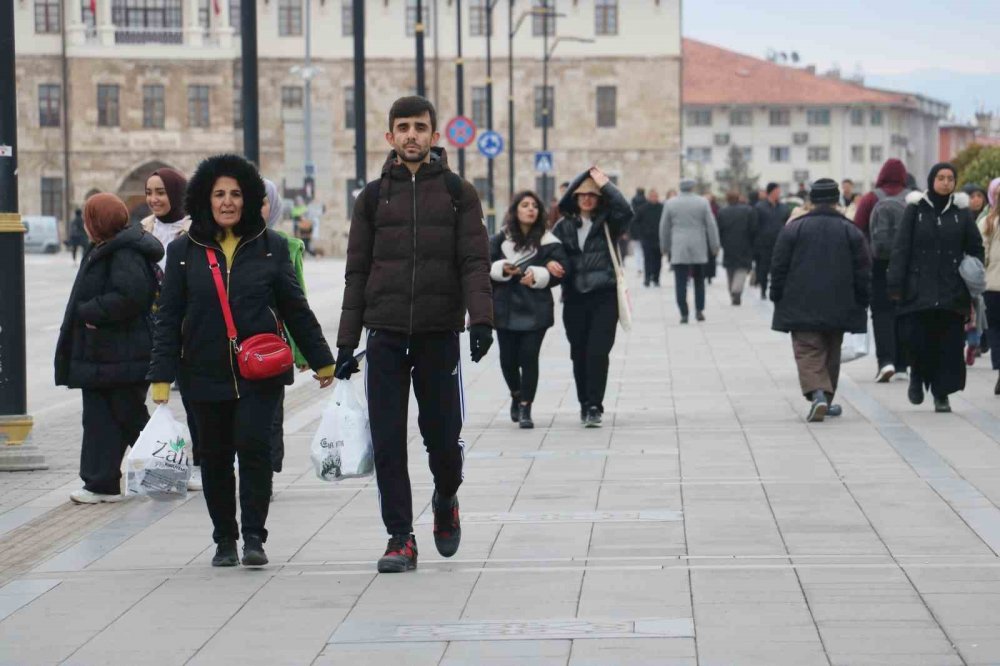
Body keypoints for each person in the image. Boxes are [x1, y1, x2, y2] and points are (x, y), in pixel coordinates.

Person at [148, 153, 335, 568]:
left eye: (235, 194)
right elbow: (167, 319)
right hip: (201, 371)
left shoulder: (271, 248)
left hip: (260, 371)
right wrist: (160, 377)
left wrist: (323, 360)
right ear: (204, 199)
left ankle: (254, 536)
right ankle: (224, 540)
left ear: (249, 199)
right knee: (213, 458)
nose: (228, 202)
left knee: (254, 450)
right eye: (219, 194)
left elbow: (294, 306)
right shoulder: (183, 250)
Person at [334, 96, 493, 574]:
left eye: (419, 127)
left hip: (437, 333)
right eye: (402, 127)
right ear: (389, 137)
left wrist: (481, 320)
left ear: (434, 136)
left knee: (443, 437)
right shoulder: (371, 197)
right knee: (387, 439)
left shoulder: (457, 192)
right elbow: (356, 271)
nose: (411, 135)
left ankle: (446, 498)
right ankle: (400, 537)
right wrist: (345, 343)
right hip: (383, 334)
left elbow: (474, 260)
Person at [55, 193, 164, 503]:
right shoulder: (106, 248)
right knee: (105, 419)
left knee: (123, 417)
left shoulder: (123, 253)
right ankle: (101, 483)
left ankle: (166, 466)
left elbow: (131, 295)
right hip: (108, 355)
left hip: (119, 353)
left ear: (97, 222)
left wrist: (91, 312)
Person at [770, 179, 870, 422]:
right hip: (840, 301)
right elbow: (863, 269)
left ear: (811, 200)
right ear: (837, 200)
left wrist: (776, 293)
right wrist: (863, 298)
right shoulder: (850, 230)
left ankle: (818, 395)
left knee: (808, 349)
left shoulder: (794, 228)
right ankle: (825, 397)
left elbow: (779, 266)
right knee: (831, 350)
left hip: (800, 300)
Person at [887, 163, 983, 413]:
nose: (946, 182)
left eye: (950, 178)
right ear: (932, 180)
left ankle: (942, 394)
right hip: (919, 290)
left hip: (952, 291)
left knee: (949, 345)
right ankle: (917, 378)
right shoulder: (915, 210)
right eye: (941, 178)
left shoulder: (961, 213)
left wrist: (971, 269)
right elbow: (901, 248)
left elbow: (975, 247)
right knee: (918, 340)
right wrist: (896, 285)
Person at [139, 167, 204, 491]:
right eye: (150, 193)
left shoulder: (195, 230)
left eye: (161, 192)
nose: (154, 199)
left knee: (196, 398)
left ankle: (205, 463)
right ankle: (160, 461)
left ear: (176, 194)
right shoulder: (143, 230)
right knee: (156, 397)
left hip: (191, 326)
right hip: (155, 326)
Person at [552, 167, 632, 427]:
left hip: (604, 296)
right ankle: (584, 403)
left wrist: (604, 183)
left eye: (592, 194)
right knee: (579, 353)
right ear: (574, 197)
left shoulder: (609, 222)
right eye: (582, 194)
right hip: (574, 297)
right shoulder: (563, 226)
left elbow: (626, 209)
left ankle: (596, 405)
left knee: (598, 352)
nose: (587, 198)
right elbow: (551, 254)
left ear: (599, 198)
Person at [490, 191, 567, 429]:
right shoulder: (501, 239)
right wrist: (502, 268)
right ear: (515, 210)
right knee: (507, 360)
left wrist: (542, 273)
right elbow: (483, 265)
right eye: (525, 205)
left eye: (534, 205)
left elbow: (562, 270)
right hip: (505, 306)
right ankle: (515, 393)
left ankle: (526, 406)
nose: (530, 209)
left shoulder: (548, 241)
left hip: (536, 308)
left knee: (529, 357)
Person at [261, 178, 309, 477]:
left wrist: (304, 353)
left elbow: (297, 303)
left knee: (271, 416)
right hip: (230, 348)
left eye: (262, 202)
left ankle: (265, 470)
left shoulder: (287, 247)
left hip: (273, 347)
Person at [853, 158, 910, 383]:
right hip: (906, 266)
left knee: (881, 313)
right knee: (904, 312)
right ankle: (903, 365)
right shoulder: (913, 198)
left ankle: (885, 362)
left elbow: (857, 232)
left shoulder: (870, 198)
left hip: (877, 265)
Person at [659, 178, 720, 323]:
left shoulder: (670, 203)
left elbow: (664, 227)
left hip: (679, 245)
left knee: (680, 281)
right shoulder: (702, 202)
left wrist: (665, 247)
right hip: (698, 244)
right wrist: (714, 245)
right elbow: (711, 225)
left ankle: (684, 313)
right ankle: (699, 310)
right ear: (693, 187)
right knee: (699, 280)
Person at [978, 178, 1000, 393]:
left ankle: (998, 364)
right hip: (992, 283)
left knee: (994, 326)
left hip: (993, 284)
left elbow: (981, 252)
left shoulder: (987, 221)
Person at [717, 190, 756, 305]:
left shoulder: (722, 212)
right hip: (745, 243)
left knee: (730, 270)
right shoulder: (748, 210)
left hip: (728, 245)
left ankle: (732, 291)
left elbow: (719, 229)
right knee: (742, 269)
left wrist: (721, 242)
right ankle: (736, 291)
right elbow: (753, 229)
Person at [753, 183, 791, 299]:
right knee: (763, 268)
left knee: (778, 267)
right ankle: (763, 290)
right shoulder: (760, 207)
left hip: (780, 242)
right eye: (777, 191)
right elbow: (755, 225)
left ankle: (777, 289)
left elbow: (788, 223)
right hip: (764, 244)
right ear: (771, 192)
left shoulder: (784, 207)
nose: (779, 193)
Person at [632, 189, 664, 287]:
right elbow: (635, 222)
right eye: (652, 196)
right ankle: (647, 278)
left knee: (658, 259)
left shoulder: (662, 208)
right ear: (649, 197)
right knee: (647, 259)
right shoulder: (643, 208)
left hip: (659, 238)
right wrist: (640, 233)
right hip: (646, 238)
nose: (654, 198)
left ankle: (656, 278)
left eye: (656, 196)